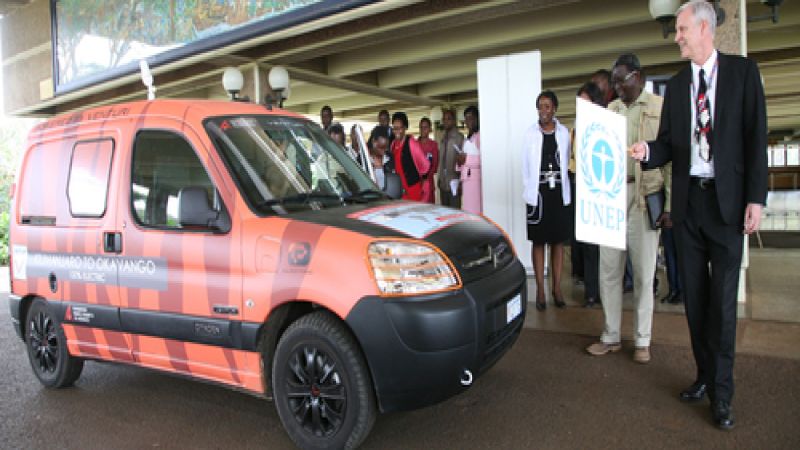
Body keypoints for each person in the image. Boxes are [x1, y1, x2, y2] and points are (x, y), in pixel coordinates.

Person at [629, 1, 767, 430]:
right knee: (696, 303)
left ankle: (722, 394)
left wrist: (756, 199)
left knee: (723, 308)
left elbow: (755, 137)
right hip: (688, 209)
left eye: (682, 29)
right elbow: (669, 144)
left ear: (705, 29)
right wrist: (649, 151)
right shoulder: (676, 83)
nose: (677, 37)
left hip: (727, 208)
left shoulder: (743, 74)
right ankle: (705, 376)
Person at [586, 53, 669, 365]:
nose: (617, 86)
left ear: (639, 76)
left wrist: (670, 205)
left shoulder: (659, 108)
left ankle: (642, 339)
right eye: (614, 81)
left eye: (622, 79)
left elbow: (670, 157)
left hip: (643, 196)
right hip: (611, 195)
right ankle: (610, 335)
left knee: (645, 273)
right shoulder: (611, 111)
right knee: (608, 270)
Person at [522, 91, 571, 311]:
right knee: (539, 241)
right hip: (538, 194)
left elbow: (569, 160)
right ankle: (541, 289)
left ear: (554, 109)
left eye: (547, 106)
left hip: (559, 192)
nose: (543, 111)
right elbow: (525, 165)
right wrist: (529, 190)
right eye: (540, 106)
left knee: (558, 242)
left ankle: (557, 288)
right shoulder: (530, 134)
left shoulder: (563, 133)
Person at [572, 82, 603, 308]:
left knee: (601, 246)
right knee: (586, 243)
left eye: (586, 102)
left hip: (601, 190)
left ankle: (602, 291)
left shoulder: (604, 124)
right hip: (580, 188)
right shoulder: (575, 129)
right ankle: (592, 292)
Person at [390, 112, 430, 201]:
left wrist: (423, 180)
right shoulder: (393, 144)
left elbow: (425, 165)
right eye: (394, 128)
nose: (397, 131)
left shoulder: (411, 143)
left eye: (400, 128)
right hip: (399, 189)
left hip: (412, 188)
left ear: (405, 128)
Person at [437, 108, 465, 208]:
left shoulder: (459, 137)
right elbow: (441, 160)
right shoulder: (442, 138)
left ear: (453, 121)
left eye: (448, 119)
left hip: (454, 183)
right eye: (444, 119)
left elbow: (464, 162)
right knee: (444, 213)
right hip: (443, 184)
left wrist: (461, 183)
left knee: (455, 213)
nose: (446, 121)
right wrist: (439, 179)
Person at [459, 106, 482, 214]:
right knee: (467, 209)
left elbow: (484, 159)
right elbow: (463, 160)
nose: (469, 121)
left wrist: (466, 158)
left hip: (475, 181)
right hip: (466, 179)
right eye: (466, 118)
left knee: (475, 210)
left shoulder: (480, 136)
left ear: (477, 118)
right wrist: (459, 161)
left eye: (471, 118)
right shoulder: (467, 138)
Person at [417, 117, 439, 204]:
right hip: (416, 183)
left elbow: (435, 166)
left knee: (429, 208)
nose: (423, 130)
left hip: (428, 182)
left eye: (425, 127)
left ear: (430, 129)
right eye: (421, 127)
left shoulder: (433, 145)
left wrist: (425, 176)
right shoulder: (415, 144)